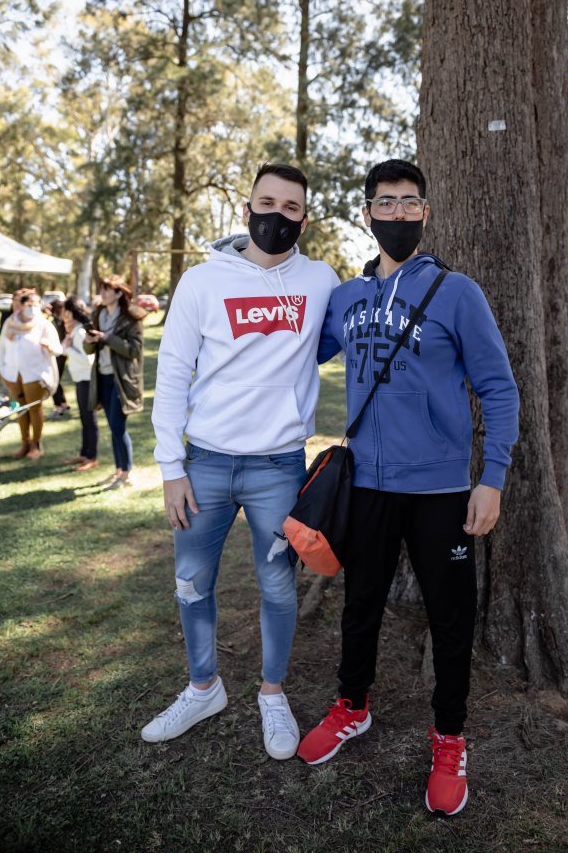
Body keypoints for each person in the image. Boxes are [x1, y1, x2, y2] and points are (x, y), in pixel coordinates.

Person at [297, 159, 520, 818]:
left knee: (451, 617)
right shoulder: (345, 298)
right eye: (385, 202)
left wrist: (492, 478)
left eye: (409, 202)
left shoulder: (457, 293)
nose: (397, 213)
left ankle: (450, 738)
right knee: (360, 602)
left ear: (425, 212)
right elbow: (295, 350)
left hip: (441, 490)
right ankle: (352, 706)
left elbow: (499, 389)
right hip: (366, 484)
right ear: (367, 213)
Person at [146, 162, 339, 760]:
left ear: (304, 219)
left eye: (291, 208)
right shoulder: (203, 281)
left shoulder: (320, 281)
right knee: (190, 583)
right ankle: (203, 688)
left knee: (278, 587)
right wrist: (171, 468)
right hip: (203, 463)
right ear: (248, 207)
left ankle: (272, 693)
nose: (277, 215)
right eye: (267, 203)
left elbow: (345, 335)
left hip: (277, 466)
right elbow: (172, 374)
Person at [83, 275, 144, 488]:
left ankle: (127, 474)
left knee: (118, 426)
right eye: (102, 289)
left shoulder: (131, 318)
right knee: (112, 426)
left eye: (107, 290)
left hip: (122, 379)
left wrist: (107, 338)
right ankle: (119, 470)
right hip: (103, 376)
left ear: (119, 294)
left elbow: (134, 349)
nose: (103, 293)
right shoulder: (98, 314)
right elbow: (89, 349)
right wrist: (89, 341)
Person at [0, 288, 62, 459]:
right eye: (28, 304)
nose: (31, 307)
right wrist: (2, 370)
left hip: (35, 373)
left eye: (35, 304)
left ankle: (36, 444)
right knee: (21, 408)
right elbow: (1, 348)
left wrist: (49, 347)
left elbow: (58, 349)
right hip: (13, 374)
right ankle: (25, 442)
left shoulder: (43, 324)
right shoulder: (10, 323)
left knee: (34, 408)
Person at [60, 295, 98, 471]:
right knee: (84, 418)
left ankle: (92, 457)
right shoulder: (74, 331)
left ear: (70, 311)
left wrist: (69, 349)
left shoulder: (81, 332)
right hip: (80, 379)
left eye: (64, 310)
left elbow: (88, 359)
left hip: (86, 380)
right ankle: (84, 453)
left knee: (89, 419)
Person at [48, 299, 71, 419]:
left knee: (54, 380)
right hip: (56, 353)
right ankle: (62, 403)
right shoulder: (54, 320)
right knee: (55, 380)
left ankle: (60, 405)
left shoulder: (63, 321)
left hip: (60, 353)